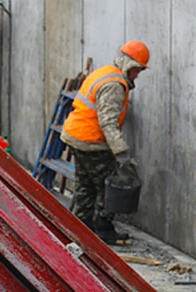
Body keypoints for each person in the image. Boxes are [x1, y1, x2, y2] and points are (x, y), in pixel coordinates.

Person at [61, 40, 150, 243]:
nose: (136, 76)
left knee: (85, 183)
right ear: (129, 65)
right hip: (91, 141)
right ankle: (104, 229)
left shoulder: (105, 72)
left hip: (76, 135)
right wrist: (122, 155)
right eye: (137, 71)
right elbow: (108, 123)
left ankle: (81, 226)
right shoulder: (114, 85)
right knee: (107, 185)